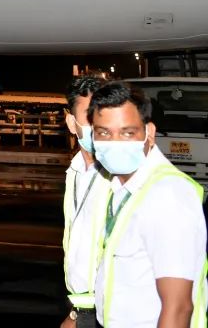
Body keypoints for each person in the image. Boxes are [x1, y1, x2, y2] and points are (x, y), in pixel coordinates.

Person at [90, 81, 207, 328]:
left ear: (149, 133)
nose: (115, 143)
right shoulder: (121, 188)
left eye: (127, 133)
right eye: (104, 133)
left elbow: (178, 307)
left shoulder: (166, 196)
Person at [61, 76, 110, 328]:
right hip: (87, 310)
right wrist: (77, 314)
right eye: (89, 115)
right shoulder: (75, 172)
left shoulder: (123, 176)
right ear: (72, 123)